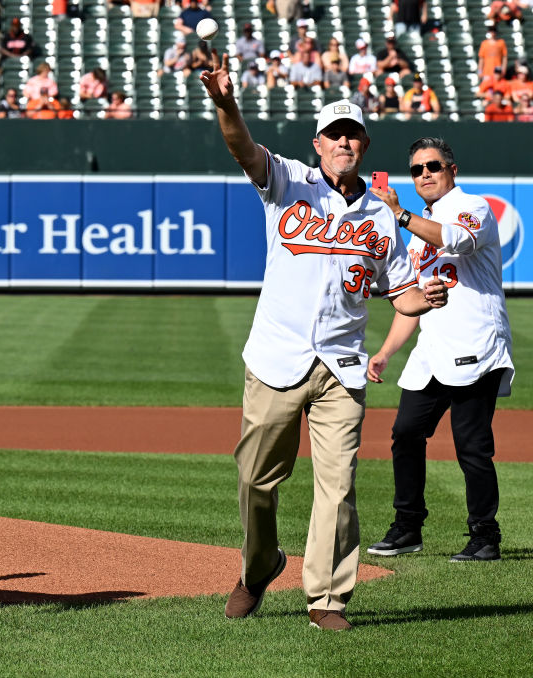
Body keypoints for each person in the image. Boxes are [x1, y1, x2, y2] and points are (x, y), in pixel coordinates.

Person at [199, 49, 448, 632]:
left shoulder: (382, 215)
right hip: (274, 357)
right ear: (318, 142)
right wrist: (226, 103)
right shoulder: (286, 180)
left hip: (340, 367)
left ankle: (328, 598)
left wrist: (425, 297)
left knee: (338, 485)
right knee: (255, 481)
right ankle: (259, 567)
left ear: (363, 144)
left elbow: (401, 293)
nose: (343, 142)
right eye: (334, 134)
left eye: (353, 135)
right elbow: (240, 146)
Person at [366, 137, 513, 563]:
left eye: (432, 165)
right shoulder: (417, 232)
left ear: (452, 169)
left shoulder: (473, 206)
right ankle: (408, 526)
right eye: (416, 169)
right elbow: (414, 300)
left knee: (471, 445)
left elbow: (458, 240)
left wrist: (398, 213)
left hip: (475, 342)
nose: (424, 174)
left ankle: (485, 535)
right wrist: (387, 351)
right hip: (431, 350)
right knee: (406, 433)